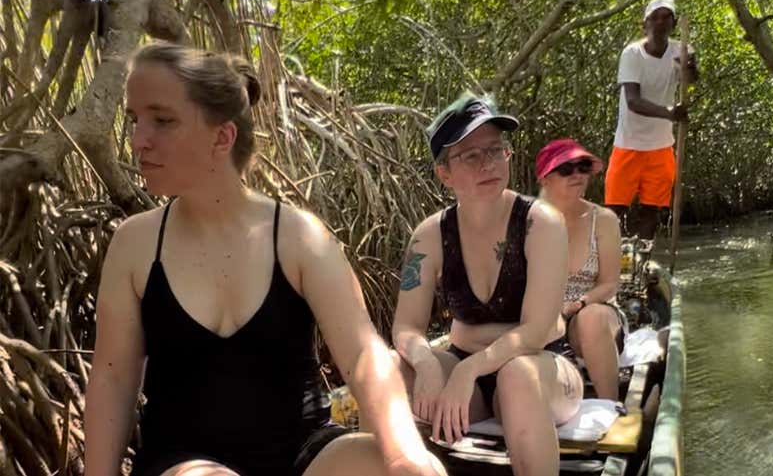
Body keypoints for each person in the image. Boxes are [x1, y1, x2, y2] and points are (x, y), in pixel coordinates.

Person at [84, 42, 445, 476]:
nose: (138, 141)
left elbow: (363, 355)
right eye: (134, 120)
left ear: (222, 137)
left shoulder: (300, 237)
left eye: (162, 120)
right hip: (182, 462)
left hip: (303, 456)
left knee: (412, 467)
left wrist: (405, 456)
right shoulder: (135, 244)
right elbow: (113, 379)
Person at [392, 94, 583, 476]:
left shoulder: (541, 223)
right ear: (444, 173)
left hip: (543, 367)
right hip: (464, 363)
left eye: (496, 150)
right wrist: (427, 363)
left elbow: (534, 331)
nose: (488, 164)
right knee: (390, 370)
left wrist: (470, 370)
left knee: (517, 377)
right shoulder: (429, 236)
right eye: (471, 156)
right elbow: (406, 327)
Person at [536, 139, 629, 401]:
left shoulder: (604, 220)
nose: (577, 174)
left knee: (592, 319)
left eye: (583, 167)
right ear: (546, 179)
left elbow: (610, 284)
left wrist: (577, 304)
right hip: (542, 317)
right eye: (566, 169)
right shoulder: (528, 221)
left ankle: (610, 405)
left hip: (592, 310)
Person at [605, 0, 698, 239]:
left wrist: (689, 67)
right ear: (644, 24)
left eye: (667, 17)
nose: (660, 22)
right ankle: (611, 254)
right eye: (655, 17)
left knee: (651, 210)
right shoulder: (632, 54)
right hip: (629, 143)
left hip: (661, 146)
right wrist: (669, 113)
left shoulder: (681, 49)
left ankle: (643, 256)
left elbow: (690, 80)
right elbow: (633, 101)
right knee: (614, 210)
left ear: (673, 24)